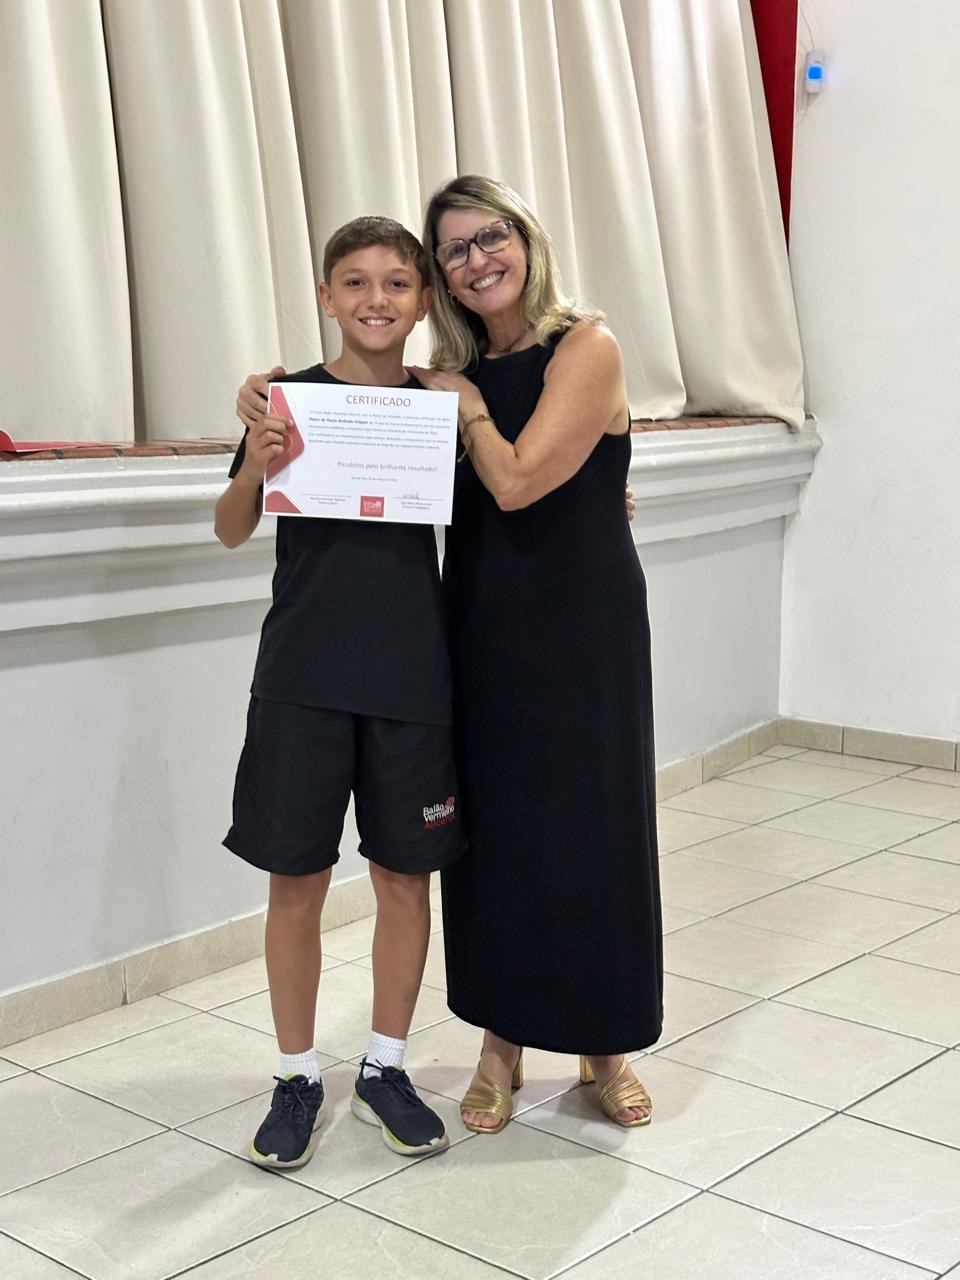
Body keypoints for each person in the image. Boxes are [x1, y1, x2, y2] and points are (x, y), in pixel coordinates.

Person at [410, 175, 662, 1133]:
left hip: (584, 627)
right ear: (441, 274)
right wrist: (258, 397)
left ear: (527, 239)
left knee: (593, 827)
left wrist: (468, 405)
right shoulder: (448, 378)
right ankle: (500, 1045)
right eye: (455, 249)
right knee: (496, 834)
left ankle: (606, 1044)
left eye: (492, 237)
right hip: (482, 621)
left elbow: (515, 483)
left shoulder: (586, 345)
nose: (478, 260)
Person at [215, 216, 464, 1170]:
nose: (375, 300)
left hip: (412, 678)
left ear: (423, 300)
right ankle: (294, 1077)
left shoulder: (443, 405)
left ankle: (385, 1069)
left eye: (397, 283)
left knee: (405, 878)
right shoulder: (286, 402)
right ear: (326, 296)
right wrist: (258, 458)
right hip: (303, 679)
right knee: (297, 881)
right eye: (354, 282)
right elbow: (230, 527)